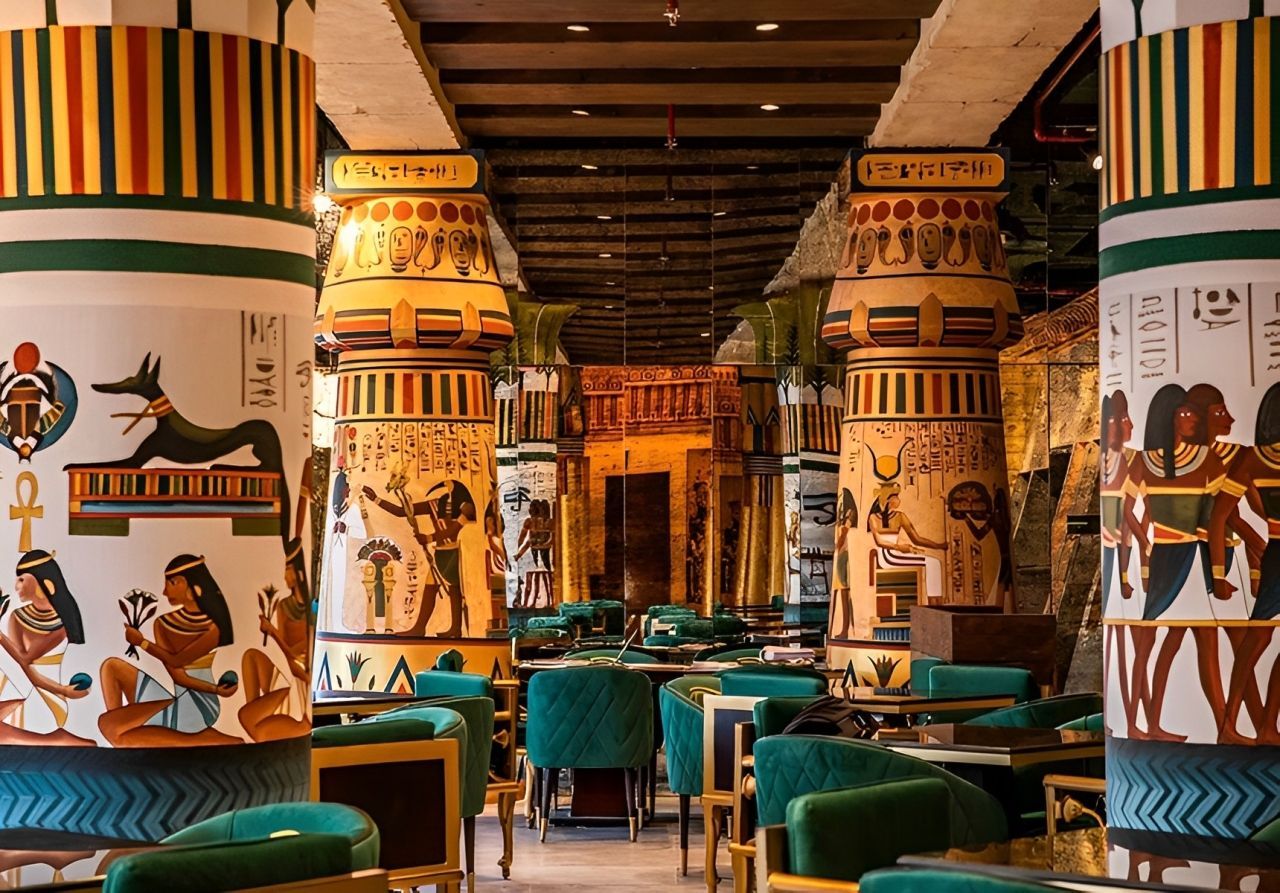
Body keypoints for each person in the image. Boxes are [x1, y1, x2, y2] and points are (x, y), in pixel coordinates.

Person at [1124, 385, 1227, 741]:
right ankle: (1142, 723)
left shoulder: (1206, 459)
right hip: (1167, 556)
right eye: (1184, 413)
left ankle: (1222, 725)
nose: (1192, 419)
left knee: (1197, 637)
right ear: (1166, 418)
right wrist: (1145, 543)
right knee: (1151, 641)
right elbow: (1127, 510)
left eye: (1192, 413)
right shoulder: (1145, 461)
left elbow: (1214, 518)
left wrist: (1218, 572)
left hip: (1192, 556)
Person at [98, 555, 240, 746]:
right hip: (178, 697)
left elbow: (177, 661)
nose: (165, 591)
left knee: (108, 725)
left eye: (171, 583)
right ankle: (192, 736)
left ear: (190, 584)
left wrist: (142, 643)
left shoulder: (212, 628)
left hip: (199, 704)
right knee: (111, 667)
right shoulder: (162, 623)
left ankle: (197, 740)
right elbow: (177, 676)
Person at [1210, 382, 1280, 743]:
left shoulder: (1252, 458)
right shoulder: (1253, 458)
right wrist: (1218, 574)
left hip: (1273, 551)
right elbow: (1222, 515)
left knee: (1258, 638)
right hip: (1275, 553)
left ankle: (1265, 726)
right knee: (1257, 637)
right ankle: (1230, 725)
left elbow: (1233, 512)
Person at [0, 550, 92, 745]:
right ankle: (57, 740)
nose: (16, 586)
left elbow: (24, 661)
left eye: (22, 579)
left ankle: (61, 740)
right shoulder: (16, 617)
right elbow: (21, 672)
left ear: (42, 581)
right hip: (24, 690)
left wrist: (64, 691)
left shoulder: (61, 624)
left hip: (49, 700)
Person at [239, 539, 312, 742]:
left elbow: (298, 661)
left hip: (303, 683)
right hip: (292, 670)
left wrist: (273, 633)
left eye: (288, 570)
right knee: (251, 657)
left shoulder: (311, 610)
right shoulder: (284, 606)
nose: (284, 576)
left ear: (299, 573)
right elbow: (290, 658)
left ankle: (269, 724)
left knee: (251, 723)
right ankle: (264, 713)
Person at [867, 483, 945, 604]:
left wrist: (938, 546)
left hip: (896, 554)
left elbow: (917, 539)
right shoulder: (873, 517)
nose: (898, 499)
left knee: (934, 563)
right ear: (888, 499)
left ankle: (937, 603)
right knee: (933, 563)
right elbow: (879, 542)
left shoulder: (900, 516)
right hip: (888, 557)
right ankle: (935, 606)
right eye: (896, 496)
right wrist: (900, 547)